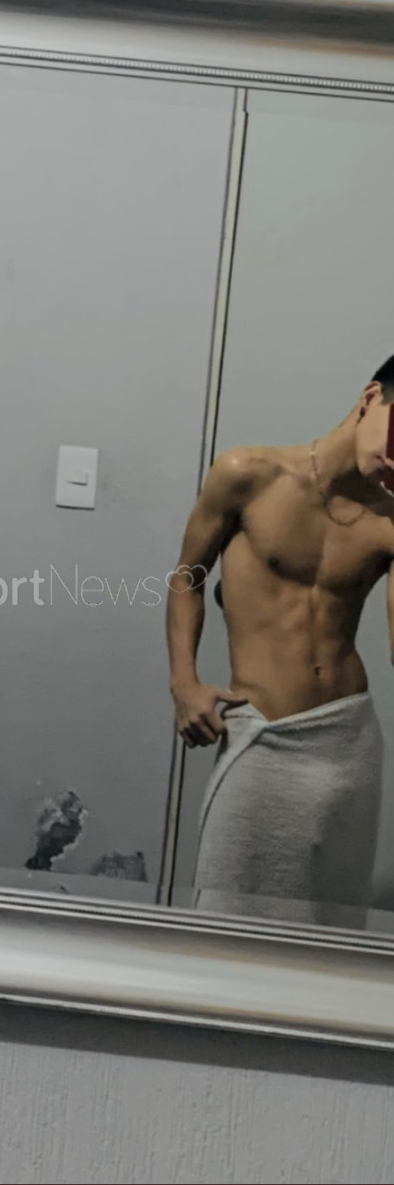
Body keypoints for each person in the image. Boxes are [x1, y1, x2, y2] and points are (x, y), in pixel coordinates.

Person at [166, 357, 394, 925]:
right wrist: (184, 683)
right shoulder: (248, 474)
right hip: (262, 733)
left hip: (348, 741)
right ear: (371, 398)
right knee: (226, 919)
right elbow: (186, 578)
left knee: (332, 929)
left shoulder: (390, 518)